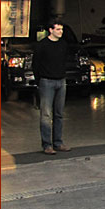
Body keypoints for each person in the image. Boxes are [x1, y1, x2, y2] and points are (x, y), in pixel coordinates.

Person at [32, 19, 71, 155]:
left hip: (61, 81)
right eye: (58, 29)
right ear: (51, 30)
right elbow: (35, 64)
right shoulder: (42, 45)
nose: (61, 32)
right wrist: (39, 80)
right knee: (46, 114)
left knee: (59, 113)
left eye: (61, 29)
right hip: (46, 81)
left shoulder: (63, 44)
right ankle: (47, 144)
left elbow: (64, 60)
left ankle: (58, 142)